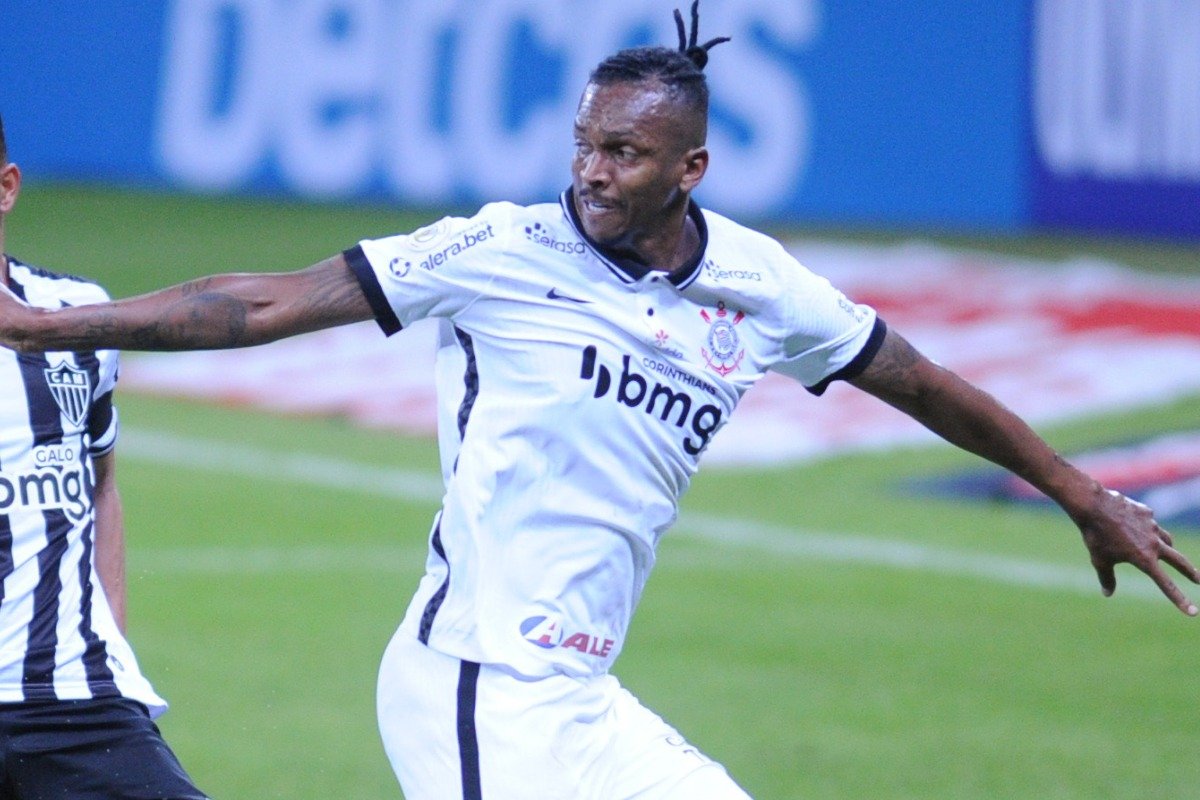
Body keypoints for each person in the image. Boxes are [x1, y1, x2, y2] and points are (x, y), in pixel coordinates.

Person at [1, 3, 1197, 797]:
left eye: (623, 152)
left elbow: (923, 381)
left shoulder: (760, 284)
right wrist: (43, 328)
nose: (590, 170)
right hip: (473, 683)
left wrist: (1079, 491)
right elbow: (263, 303)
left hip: (582, 697)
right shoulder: (500, 250)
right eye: (582, 141)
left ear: (693, 168)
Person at [0, 115, 208, 798]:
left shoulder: (76, 315)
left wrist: (112, 639)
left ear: (6, 188)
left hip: (76, 700)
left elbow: (99, 484)